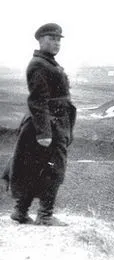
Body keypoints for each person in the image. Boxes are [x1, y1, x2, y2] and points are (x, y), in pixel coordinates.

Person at [0, 23, 76, 226]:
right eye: (52, 38)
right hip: (47, 123)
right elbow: (37, 100)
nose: (56, 42)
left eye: (59, 39)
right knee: (54, 168)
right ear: (40, 40)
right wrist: (45, 133)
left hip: (53, 122)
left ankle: (20, 211)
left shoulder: (48, 62)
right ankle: (44, 215)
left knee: (34, 167)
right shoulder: (38, 64)